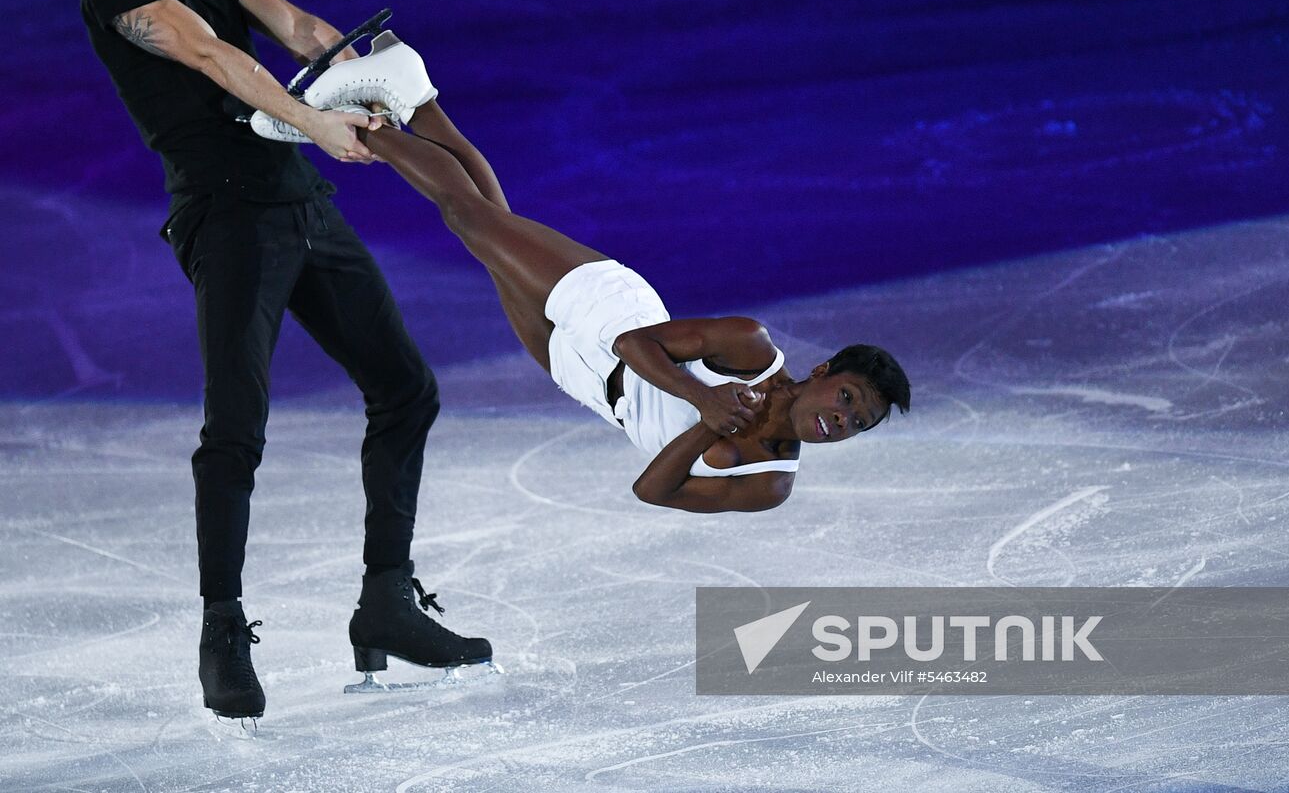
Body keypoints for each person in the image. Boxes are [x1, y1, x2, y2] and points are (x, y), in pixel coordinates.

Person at [76, 0, 490, 723]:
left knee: (405, 389)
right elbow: (213, 57)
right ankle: (222, 631)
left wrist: (353, 72)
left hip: (301, 205)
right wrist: (313, 119)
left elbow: (294, 27)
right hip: (225, 219)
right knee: (236, 426)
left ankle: (387, 601)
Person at [285, 37, 911, 515]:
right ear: (823, 372)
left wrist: (710, 422)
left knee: (486, 223)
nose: (843, 421)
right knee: (470, 220)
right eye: (849, 399)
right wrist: (704, 396)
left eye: (859, 423)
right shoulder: (750, 348)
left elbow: (653, 490)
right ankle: (353, 123)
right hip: (606, 310)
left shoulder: (768, 484)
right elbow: (634, 344)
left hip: (579, 376)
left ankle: (411, 93)